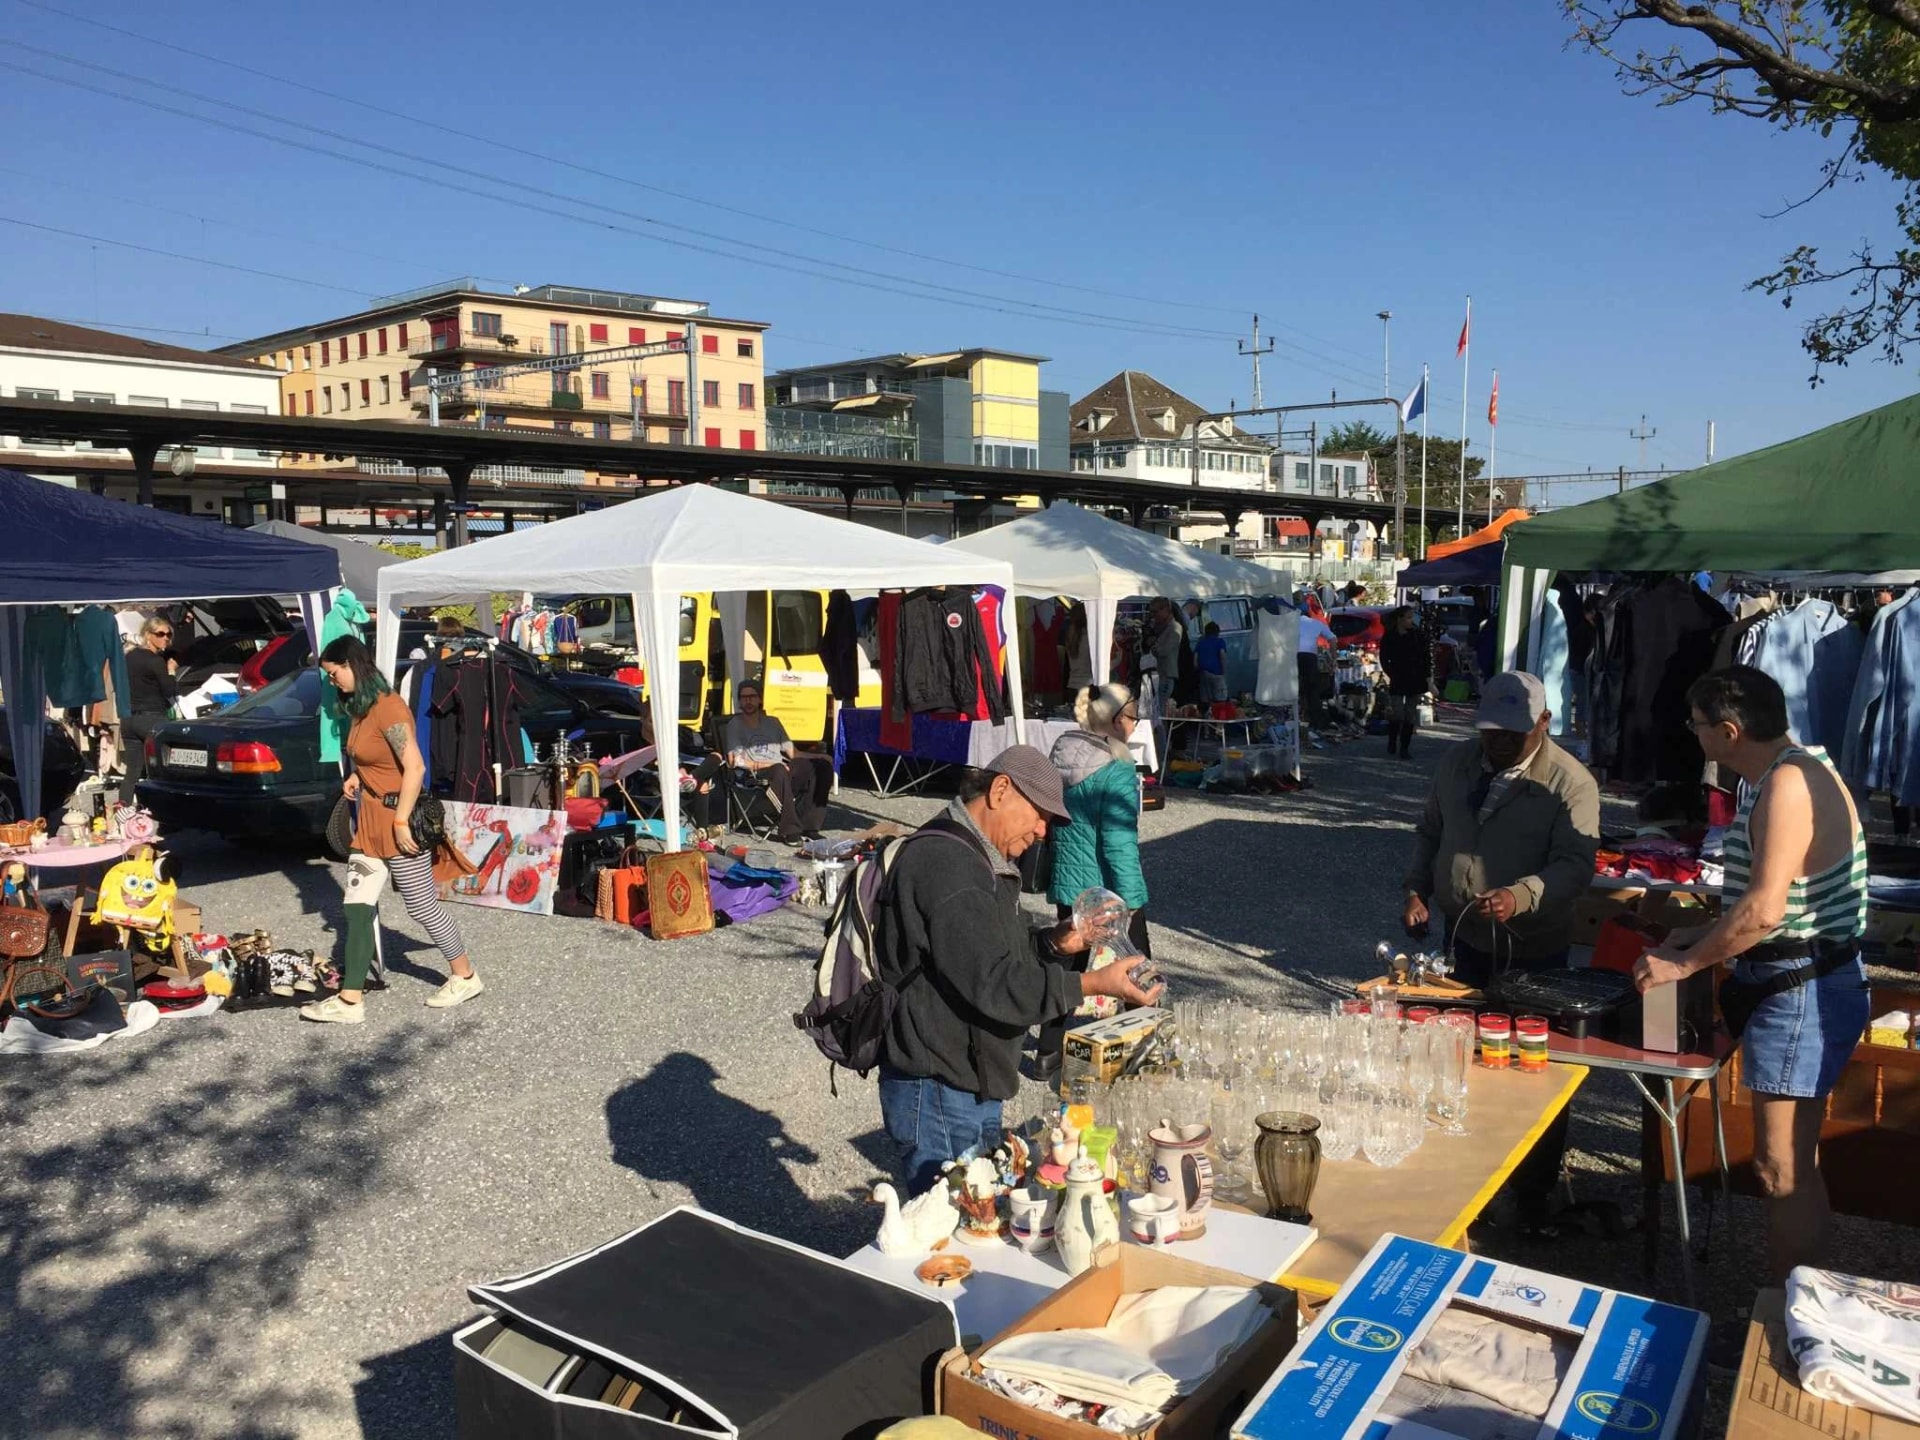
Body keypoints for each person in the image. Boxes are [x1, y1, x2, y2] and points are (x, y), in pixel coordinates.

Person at [1634, 666, 1869, 1281]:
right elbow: (1780, 900)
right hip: (1797, 979)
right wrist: (1703, 933)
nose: (1695, 736)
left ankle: (1791, 1317)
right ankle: (1799, 1304)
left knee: (1780, 1167)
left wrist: (1684, 961)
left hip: (1801, 988)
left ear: (1730, 731)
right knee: (1793, 1162)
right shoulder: (1788, 772)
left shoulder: (1789, 783)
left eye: (1698, 726)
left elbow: (1765, 910)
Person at [876, 747, 1161, 1190]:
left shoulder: (977, 857)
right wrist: (1093, 983)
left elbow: (993, 955)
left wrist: (1056, 941)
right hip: (939, 1085)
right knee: (954, 1226)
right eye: (1040, 814)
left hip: (965, 1078)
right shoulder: (949, 865)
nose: (1043, 830)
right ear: (1001, 790)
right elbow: (994, 984)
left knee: (976, 1215)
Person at [1403, 671, 1599, 1231]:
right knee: (1459, 1065)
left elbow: (1575, 865)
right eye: (1491, 730)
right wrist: (1416, 889)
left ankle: (1533, 1195)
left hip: (1533, 950)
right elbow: (1430, 832)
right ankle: (1468, 1186)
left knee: (1531, 1073)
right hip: (1463, 938)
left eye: (1514, 730)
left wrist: (1521, 895)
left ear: (1544, 722)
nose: (1500, 741)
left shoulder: (1570, 782)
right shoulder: (1457, 764)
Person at [304, 636, 482, 1023]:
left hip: (397, 823)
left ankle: (465, 974)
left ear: (353, 666)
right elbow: (372, 758)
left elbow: (414, 768)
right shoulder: (359, 707)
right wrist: (355, 778)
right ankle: (350, 1000)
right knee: (356, 908)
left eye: (335, 674)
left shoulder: (389, 707)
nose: (333, 682)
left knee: (421, 906)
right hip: (368, 824)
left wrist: (401, 819)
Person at [1040, 686, 1150, 1077]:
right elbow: (1119, 841)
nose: (1136, 723)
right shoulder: (1116, 767)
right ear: (1118, 719)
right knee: (1137, 965)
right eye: (1133, 715)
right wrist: (1134, 899)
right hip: (1106, 887)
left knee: (1068, 963)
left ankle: (1047, 1052)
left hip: (1070, 880)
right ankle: (1146, 1048)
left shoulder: (1063, 752)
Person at [725, 679, 831, 844]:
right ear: (739, 701)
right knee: (779, 770)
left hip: (782, 768)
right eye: (743, 697)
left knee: (821, 767)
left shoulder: (772, 722)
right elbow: (734, 760)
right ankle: (790, 831)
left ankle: (809, 826)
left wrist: (819, 757)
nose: (748, 701)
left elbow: (793, 753)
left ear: (760, 699)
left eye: (752, 696)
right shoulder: (735, 724)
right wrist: (768, 765)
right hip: (755, 772)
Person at [119, 615, 179, 804]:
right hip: (152, 718)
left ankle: (123, 814)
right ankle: (167, 818)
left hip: (129, 719)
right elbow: (169, 690)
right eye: (160, 634)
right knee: (164, 769)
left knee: (132, 772)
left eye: (169, 634)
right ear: (147, 634)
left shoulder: (129, 657)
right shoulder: (155, 661)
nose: (165, 638)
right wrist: (171, 670)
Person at [1378, 606, 1430, 759]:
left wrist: (1428, 679)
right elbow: (1384, 657)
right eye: (1408, 617)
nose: (1411, 621)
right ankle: (1392, 740)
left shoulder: (1417, 635)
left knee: (1410, 715)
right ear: (1400, 619)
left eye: (1411, 617)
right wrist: (1390, 672)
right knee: (1397, 713)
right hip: (1398, 678)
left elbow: (1426, 658)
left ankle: (1404, 748)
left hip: (1415, 678)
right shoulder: (1390, 635)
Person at [1295, 610, 1337, 731]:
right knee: (1312, 690)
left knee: (1294, 688)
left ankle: (1296, 717)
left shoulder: (1291, 622)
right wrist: (1333, 659)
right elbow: (1332, 639)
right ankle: (1315, 721)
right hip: (1310, 657)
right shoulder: (1316, 623)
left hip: (1293, 656)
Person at [1194, 622, 1229, 704]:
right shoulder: (1220, 642)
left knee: (1206, 701)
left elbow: (1195, 662)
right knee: (1221, 700)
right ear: (1218, 632)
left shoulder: (1200, 643)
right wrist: (1223, 672)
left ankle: (1207, 715)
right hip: (1217, 674)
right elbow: (1222, 656)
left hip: (1203, 674)